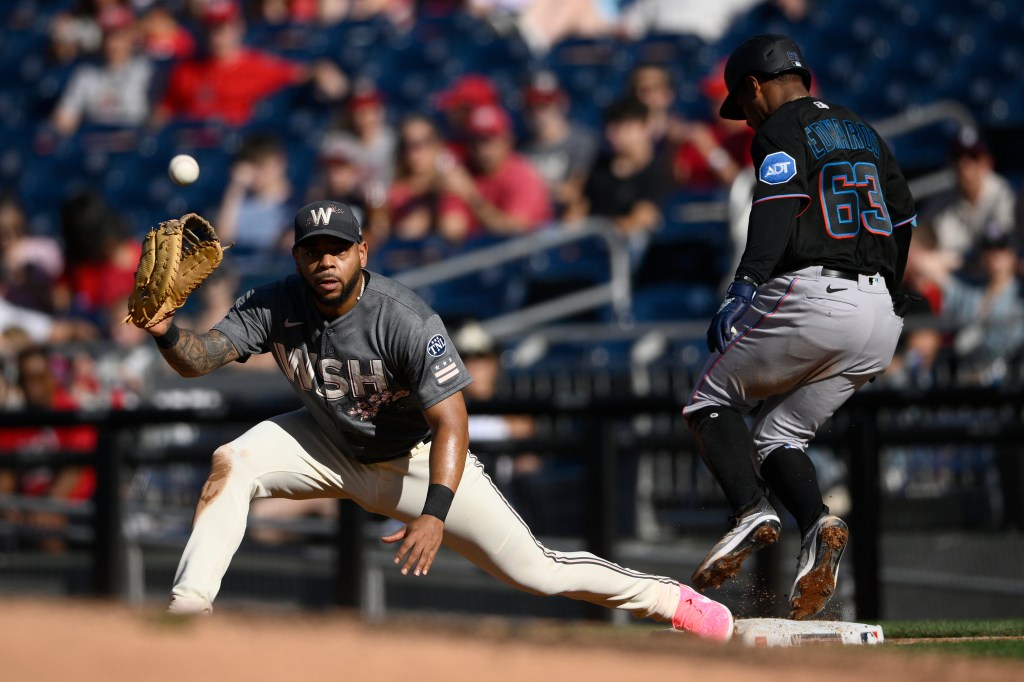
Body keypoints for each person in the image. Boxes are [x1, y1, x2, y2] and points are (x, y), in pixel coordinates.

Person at [137, 199, 733, 641]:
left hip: (416, 459)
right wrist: (165, 332)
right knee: (233, 460)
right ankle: (188, 609)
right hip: (325, 441)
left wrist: (434, 514)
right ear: (296, 257)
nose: (326, 260)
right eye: (313, 250)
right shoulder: (274, 302)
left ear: (361, 253)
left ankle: (670, 601)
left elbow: (452, 423)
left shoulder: (403, 319)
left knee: (537, 571)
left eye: (338, 249)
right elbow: (200, 359)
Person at [681, 35, 916, 620]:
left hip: (817, 295)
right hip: (882, 317)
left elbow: (777, 205)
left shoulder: (778, 130)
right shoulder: (863, 131)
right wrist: (895, 281)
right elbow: (905, 215)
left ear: (755, 85)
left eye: (742, 100)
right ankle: (816, 528)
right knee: (778, 436)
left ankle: (750, 511)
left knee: (709, 398)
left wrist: (745, 285)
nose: (745, 114)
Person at [151, 0, 347, 128]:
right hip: (189, 148)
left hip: (230, 150)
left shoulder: (257, 66)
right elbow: (164, 112)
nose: (216, 36)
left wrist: (322, 72)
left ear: (238, 27)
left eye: (222, 28)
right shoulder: (186, 69)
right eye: (211, 28)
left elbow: (302, 73)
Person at [567, 96, 673, 247]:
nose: (612, 133)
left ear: (645, 127)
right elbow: (578, 209)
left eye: (622, 126)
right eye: (610, 126)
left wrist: (597, 231)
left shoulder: (658, 171)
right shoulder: (599, 164)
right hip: (591, 248)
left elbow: (640, 220)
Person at [440, 104, 552, 237]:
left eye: (490, 140)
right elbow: (452, 230)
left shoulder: (522, 175)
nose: (483, 149)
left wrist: (470, 196)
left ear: (507, 140)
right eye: (477, 140)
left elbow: (514, 231)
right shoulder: (465, 173)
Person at [922, 128, 1017, 277]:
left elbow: (1001, 252)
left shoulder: (1003, 194)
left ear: (987, 162)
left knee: (1000, 264)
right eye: (958, 156)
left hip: (994, 279)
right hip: (958, 282)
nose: (964, 164)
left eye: (973, 156)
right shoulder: (939, 204)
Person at [49, 5, 154, 136]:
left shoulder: (147, 70)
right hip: (95, 142)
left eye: (119, 36)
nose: (113, 43)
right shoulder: (86, 73)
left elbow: (158, 117)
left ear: (130, 36)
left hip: (135, 141)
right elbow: (65, 117)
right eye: (108, 36)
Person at [520, 72, 598, 221]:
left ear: (562, 103)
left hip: (565, 223)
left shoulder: (584, 142)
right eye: (534, 106)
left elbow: (574, 192)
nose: (540, 113)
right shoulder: (521, 150)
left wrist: (533, 191)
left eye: (546, 104)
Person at [383, 113, 472, 243]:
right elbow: (402, 233)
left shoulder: (453, 182)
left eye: (423, 142)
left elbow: (453, 230)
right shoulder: (395, 191)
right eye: (408, 144)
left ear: (437, 145)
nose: (415, 151)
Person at [215, 133, 299, 261]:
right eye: (251, 165)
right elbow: (222, 240)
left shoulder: (297, 203)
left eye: (261, 164)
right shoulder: (238, 204)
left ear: (280, 162)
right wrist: (235, 188)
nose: (256, 172)